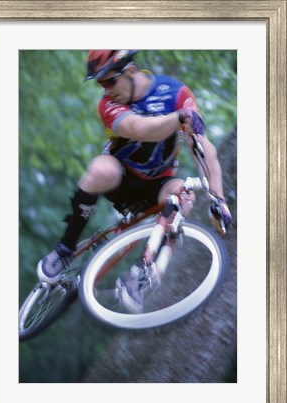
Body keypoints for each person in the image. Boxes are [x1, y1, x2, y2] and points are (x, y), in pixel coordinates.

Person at [37, 49, 232, 294]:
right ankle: (64, 249)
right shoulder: (108, 104)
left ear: (130, 71)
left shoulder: (176, 92)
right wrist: (180, 117)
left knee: (184, 195)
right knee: (100, 168)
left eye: (109, 81)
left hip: (159, 182)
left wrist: (219, 199)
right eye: (101, 84)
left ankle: (141, 276)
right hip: (121, 178)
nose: (106, 90)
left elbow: (201, 146)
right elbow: (141, 128)